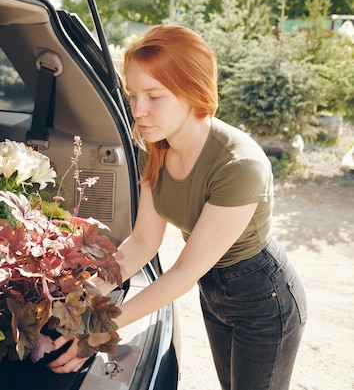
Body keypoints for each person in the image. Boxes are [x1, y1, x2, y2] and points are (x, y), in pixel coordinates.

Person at [47, 24, 307, 390]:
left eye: (154, 96)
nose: (138, 110)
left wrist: (100, 324)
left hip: (263, 300)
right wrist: (85, 295)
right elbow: (142, 243)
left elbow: (185, 271)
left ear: (193, 91)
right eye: (133, 95)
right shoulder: (157, 148)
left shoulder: (239, 166)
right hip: (214, 292)